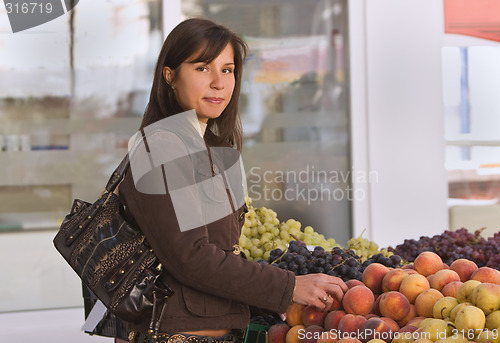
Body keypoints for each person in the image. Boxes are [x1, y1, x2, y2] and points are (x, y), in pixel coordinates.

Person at [118, 18, 347, 343]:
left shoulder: (205, 146)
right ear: (170, 75)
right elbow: (191, 256)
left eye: (227, 70)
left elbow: (224, 250)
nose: (218, 82)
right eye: (202, 68)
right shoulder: (162, 147)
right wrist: (288, 286)